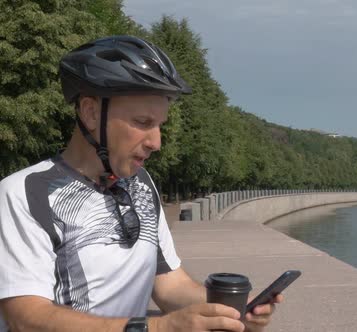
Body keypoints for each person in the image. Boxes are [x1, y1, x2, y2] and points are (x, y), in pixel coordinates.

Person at [0, 36, 282, 332]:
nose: (156, 142)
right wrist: (157, 328)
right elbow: (26, 318)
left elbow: (169, 286)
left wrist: (231, 312)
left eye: (160, 124)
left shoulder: (141, 185)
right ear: (90, 112)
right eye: (143, 122)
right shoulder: (24, 194)